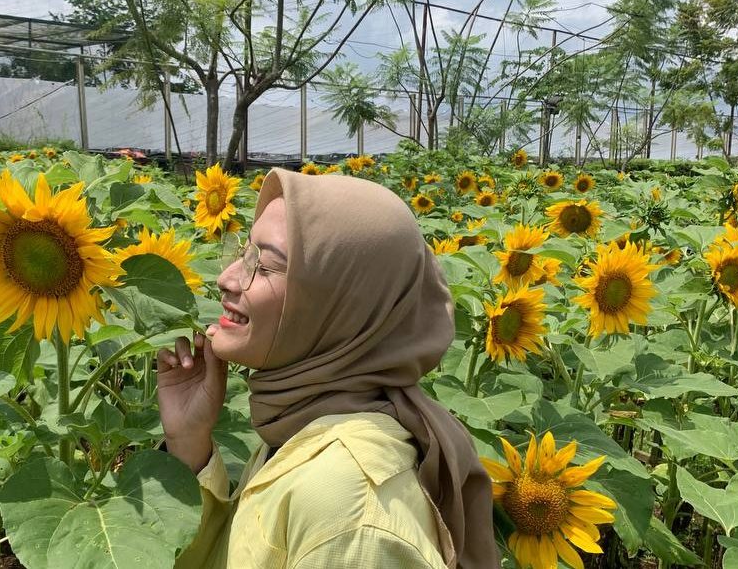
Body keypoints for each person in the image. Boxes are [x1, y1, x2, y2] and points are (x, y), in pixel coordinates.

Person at [155, 167, 500, 568]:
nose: (227, 278)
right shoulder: (305, 423)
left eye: (264, 266)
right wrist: (189, 443)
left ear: (341, 306)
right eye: (244, 253)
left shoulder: (348, 512)